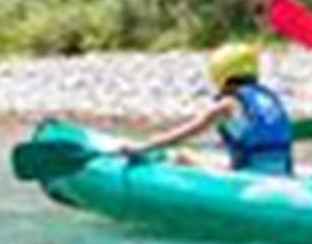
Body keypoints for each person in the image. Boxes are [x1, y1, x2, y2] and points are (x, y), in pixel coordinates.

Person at [121, 43, 294, 175]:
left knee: (182, 156)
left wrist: (143, 146)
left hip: (248, 177)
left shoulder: (227, 104)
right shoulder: (270, 99)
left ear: (221, 72)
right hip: (283, 173)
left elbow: (186, 132)